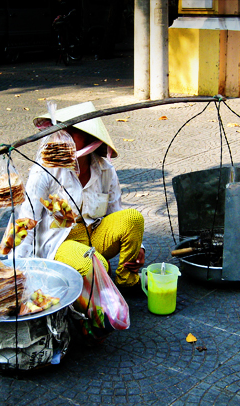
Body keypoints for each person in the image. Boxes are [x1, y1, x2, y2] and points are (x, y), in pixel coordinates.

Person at [16, 101, 145, 289]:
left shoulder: (105, 169)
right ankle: (96, 286)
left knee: (133, 218)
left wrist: (139, 247)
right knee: (95, 265)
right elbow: (27, 220)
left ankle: (127, 280)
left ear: (88, 137)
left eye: (69, 132)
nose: (61, 138)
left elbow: (115, 212)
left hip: (94, 233)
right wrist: (17, 268)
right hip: (61, 241)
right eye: (60, 132)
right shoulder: (44, 171)